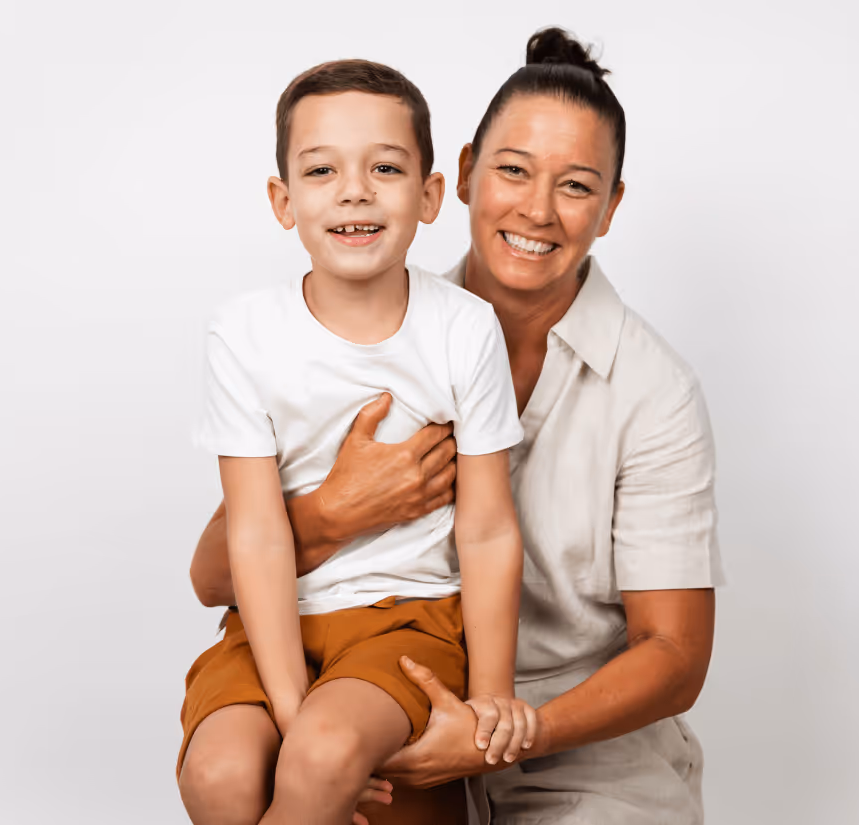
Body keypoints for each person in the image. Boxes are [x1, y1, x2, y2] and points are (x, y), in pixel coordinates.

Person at [189, 27, 725, 824]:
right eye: (513, 171)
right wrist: (338, 508)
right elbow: (213, 576)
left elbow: (675, 656)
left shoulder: (656, 391)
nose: (537, 210)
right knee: (251, 774)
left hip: (568, 738)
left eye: (576, 186)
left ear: (610, 208)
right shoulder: (363, 321)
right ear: (467, 175)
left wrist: (499, 725)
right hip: (379, 692)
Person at [178, 59, 537, 825]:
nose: (354, 189)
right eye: (321, 169)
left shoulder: (463, 328)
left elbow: (486, 526)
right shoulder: (243, 333)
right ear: (283, 201)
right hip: (273, 625)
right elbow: (257, 531)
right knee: (219, 773)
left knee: (319, 753)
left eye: (385, 167)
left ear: (431, 194)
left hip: (405, 618)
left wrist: (492, 695)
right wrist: (286, 701)